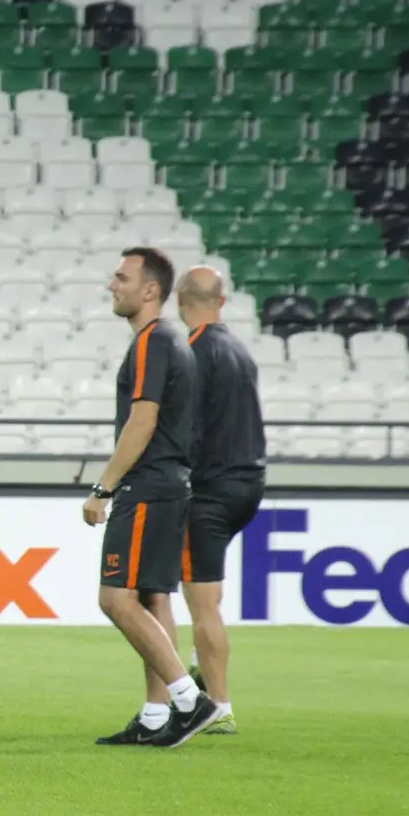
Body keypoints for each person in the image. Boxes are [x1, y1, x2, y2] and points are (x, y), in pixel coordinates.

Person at [82, 247, 223, 748]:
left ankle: (189, 701)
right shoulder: (174, 340)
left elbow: (142, 421)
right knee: (151, 594)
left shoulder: (150, 342)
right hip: (171, 485)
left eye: (121, 277)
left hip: (148, 484)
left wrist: (104, 487)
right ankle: (156, 715)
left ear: (150, 290)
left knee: (115, 597)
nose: (112, 285)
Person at [170, 265, 266, 735]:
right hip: (250, 483)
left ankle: (219, 705)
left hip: (210, 489)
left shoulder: (192, 351)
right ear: (222, 302)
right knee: (208, 594)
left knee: (201, 603)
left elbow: (186, 427)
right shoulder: (240, 351)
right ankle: (202, 670)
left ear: (178, 300)